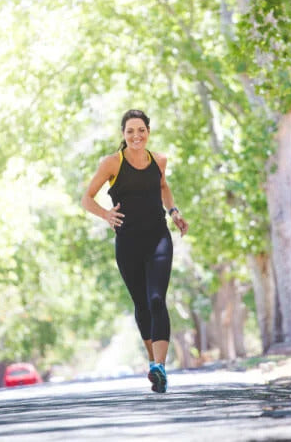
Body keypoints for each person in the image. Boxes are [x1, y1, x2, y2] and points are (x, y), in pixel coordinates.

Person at [81, 109, 189, 393]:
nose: (136, 136)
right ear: (123, 134)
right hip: (127, 242)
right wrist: (106, 215)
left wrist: (174, 212)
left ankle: (160, 367)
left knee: (156, 299)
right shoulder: (111, 164)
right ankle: (153, 362)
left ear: (148, 132)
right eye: (130, 131)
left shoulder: (159, 161)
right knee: (141, 305)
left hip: (158, 238)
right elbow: (86, 198)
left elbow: (164, 187)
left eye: (141, 130)